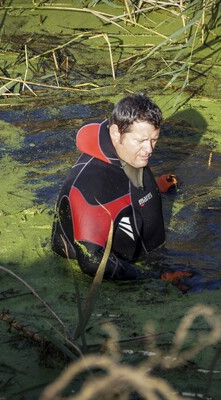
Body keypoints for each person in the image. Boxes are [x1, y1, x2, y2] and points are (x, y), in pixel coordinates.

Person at [51, 93, 178, 280]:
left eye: (154, 140)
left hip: (154, 255)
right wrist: (149, 278)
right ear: (115, 133)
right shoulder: (91, 187)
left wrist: (156, 188)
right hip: (123, 281)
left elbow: (126, 187)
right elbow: (92, 261)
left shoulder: (127, 152)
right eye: (141, 141)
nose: (149, 149)